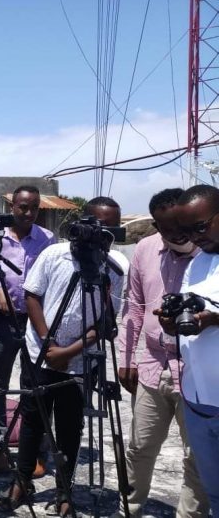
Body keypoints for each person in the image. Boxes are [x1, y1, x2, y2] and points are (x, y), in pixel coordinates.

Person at [0, 197, 125, 517]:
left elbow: (107, 321)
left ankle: (64, 490)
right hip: (38, 351)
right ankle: (22, 478)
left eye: (109, 227)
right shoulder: (54, 254)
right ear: (80, 224)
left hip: (80, 359)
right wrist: (48, 344)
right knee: (33, 419)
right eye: (95, 224)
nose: (100, 233)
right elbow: (32, 295)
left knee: (70, 426)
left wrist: (69, 352)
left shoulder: (114, 266)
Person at [114, 189, 208, 517]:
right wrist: (126, 359)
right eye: (169, 230)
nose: (179, 236)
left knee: (196, 457)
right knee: (139, 448)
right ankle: (129, 508)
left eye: (184, 227)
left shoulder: (209, 254)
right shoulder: (144, 250)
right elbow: (133, 310)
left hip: (198, 373)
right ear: (156, 226)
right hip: (153, 365)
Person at [155, 184, 219, 514]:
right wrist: (172, 324)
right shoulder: (199, 262)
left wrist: (210, 319)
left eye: (200, 227)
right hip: (198, 401)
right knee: (214, 493)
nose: (194, 237)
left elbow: (208, 315)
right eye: (187, 231)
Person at [0, 185, 56, 474]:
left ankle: (36, 451)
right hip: (3, 320)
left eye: (34, 207)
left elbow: (53, 276)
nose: (28, 212)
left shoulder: (48, 239)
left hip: (35, 320)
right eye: (23, 207)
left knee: (36, 385)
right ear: (12, 207)